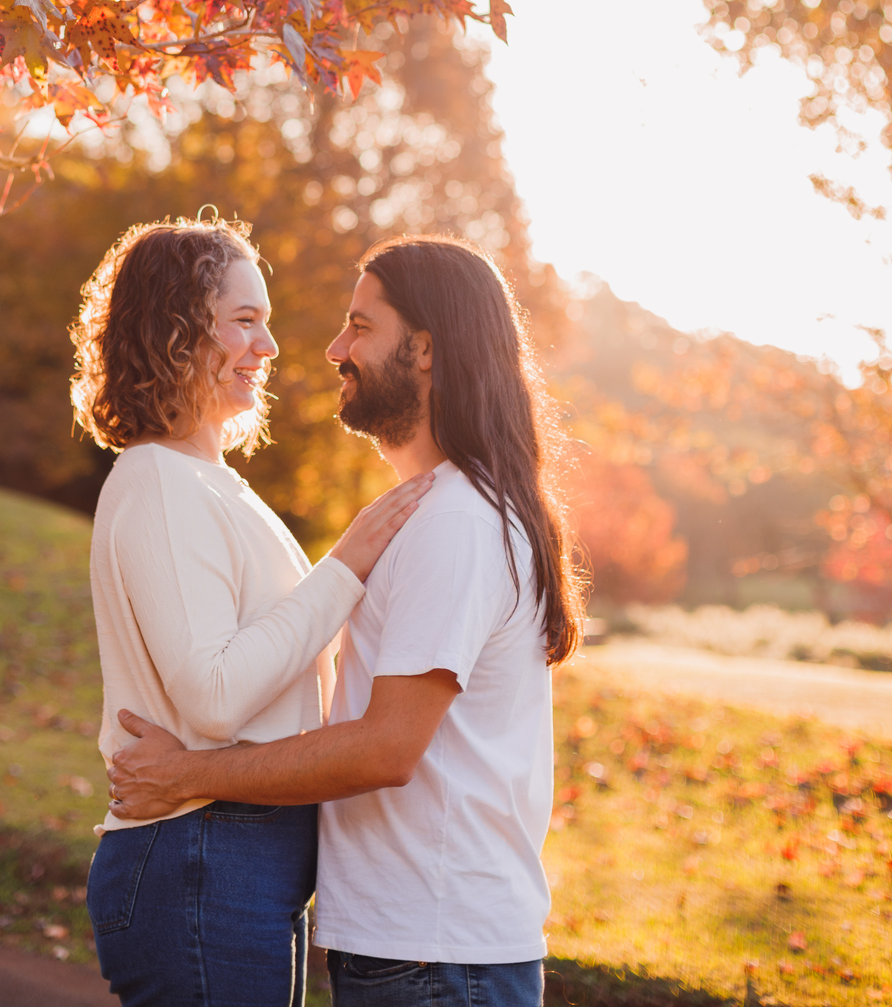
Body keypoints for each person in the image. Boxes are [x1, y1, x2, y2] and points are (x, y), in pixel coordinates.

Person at [108, 232, 586, 1007]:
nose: (334, 347)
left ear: (425, 350)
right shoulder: (433, 514)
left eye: (361, 326)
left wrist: (188, 775)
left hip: (435, 954)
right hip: (415, 947)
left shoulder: (454, 522)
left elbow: (386, 748)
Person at [70, 215, 433, 1007]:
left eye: (264, 323)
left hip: (235, 851)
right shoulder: (161, 481)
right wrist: (344, 567)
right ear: (174, 332)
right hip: (201, 850)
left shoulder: (213, 485)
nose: (268, 348)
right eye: (244, 322)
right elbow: (215, 694)